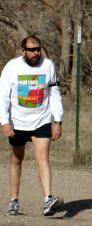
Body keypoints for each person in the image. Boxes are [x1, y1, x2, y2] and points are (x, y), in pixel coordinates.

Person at [0, 36, 64, 216]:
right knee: (16, 159)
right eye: (32, 50)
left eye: (38, 49)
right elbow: (3, 96)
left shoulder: (48, 65)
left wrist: (57, 120)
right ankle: (13, 200)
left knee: (42, 157)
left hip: (41, 120)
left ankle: (47, 200)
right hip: (17, 122)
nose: (36, 53)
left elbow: (54, 93)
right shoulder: (12, 68)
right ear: (23, 51)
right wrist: (4, 122)